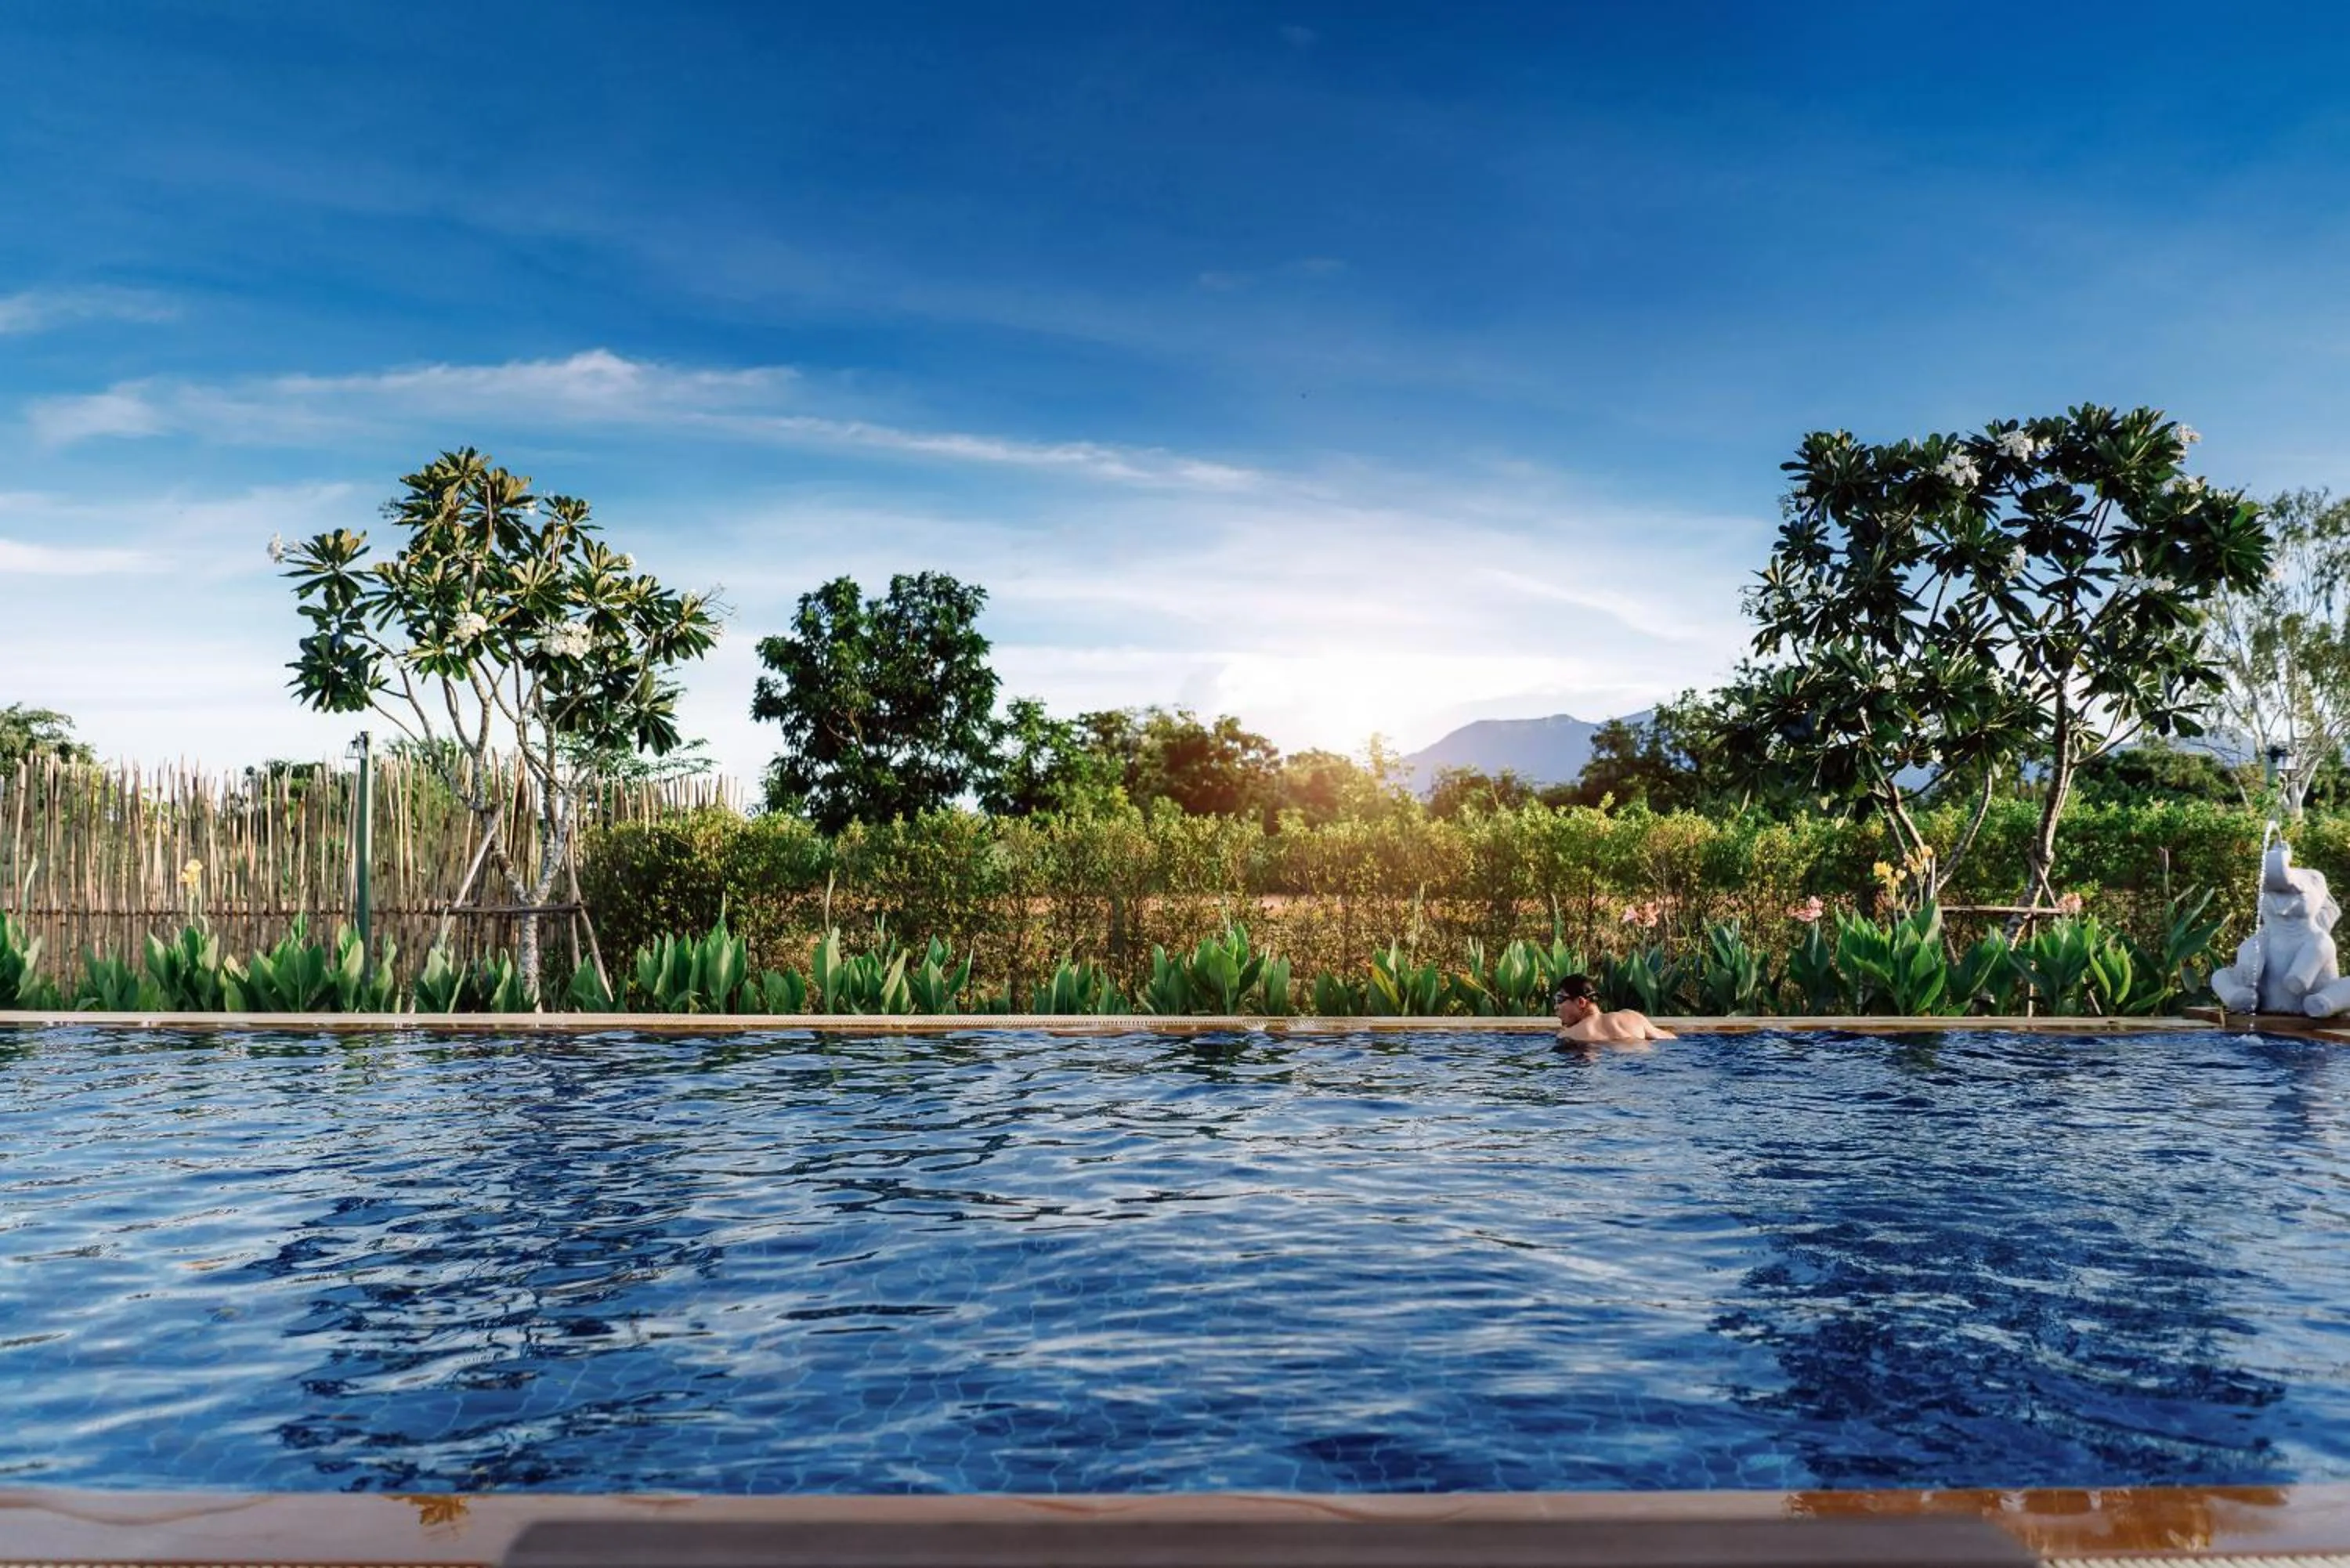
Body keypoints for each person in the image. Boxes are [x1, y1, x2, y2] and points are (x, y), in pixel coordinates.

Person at [1552, 974, 1676, 1043]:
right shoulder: (1632, 1017)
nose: (1556, 1007)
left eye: (1559, 1000)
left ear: (1581, 1002)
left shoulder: (1568, 1035)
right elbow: (1671, 1039)